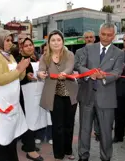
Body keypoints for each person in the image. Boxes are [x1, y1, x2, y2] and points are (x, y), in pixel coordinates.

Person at [76, 23, 124, 161]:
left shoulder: (118, 53)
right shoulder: (89, 48)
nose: (105, 37)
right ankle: (83, 156)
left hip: (106, 98)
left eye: (109, 35)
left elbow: (117, 72)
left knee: (106, 132)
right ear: (99, 33)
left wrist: (104, 76)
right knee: (84, 130)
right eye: (103, 34)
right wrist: (90, 74)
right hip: (87, 95)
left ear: (114, 36)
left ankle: (105, 157)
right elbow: (80, 66)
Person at [0, 30, 29, 161]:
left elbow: (19, 77)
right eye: (7, 40)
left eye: (11, 40)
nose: (10, 43)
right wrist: (18, 70)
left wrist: (22, 68)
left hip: (10, 101)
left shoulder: (9, 56)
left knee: (11, 135)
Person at [38, 30, 78, 161]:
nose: (56, 43)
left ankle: (68, 150)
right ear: (49, 43)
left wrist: (65, 73)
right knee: (57, 126)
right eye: (53, 40)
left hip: (70, 94)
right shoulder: (45, 57)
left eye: (58, 40)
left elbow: (69, 67)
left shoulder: (69, 54)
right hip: (54, 95)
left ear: (63, 41)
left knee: (69, 125)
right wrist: (40, 74)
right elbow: (41, 69)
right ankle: (58, 154)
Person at [16, 38, 44, 161]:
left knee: (32, 119)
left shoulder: (34, 58)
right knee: (28, 121)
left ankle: (27, 144)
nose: (29, 47)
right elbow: (17, 77)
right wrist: (27, 77)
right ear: (21, 48)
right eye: (26, 45)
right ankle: (30, 150)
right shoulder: (20, 60)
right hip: (24, 95)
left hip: (34, 94)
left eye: (30, 45)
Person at [74, 30, 100, 149]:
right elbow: (76, 66)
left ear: (94, 38)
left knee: (100, 117)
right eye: (87, 37)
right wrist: (89, 73)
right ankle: (83, 151)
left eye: (91, 37)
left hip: (100, 88)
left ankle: (99, 133)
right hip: (84, 88)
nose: (89, 39)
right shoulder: (79, 52)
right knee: (85, 121)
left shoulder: (101, 50)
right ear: (84, 39)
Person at [35, 42, 53, 145]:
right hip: (39, 92)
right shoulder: (39, 63)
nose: (46, 52)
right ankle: (40, 135)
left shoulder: (55, 61)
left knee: (51, 116)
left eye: (48, 50)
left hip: (51, 92)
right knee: (40, 115)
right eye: (44, 50)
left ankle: (50, 136)